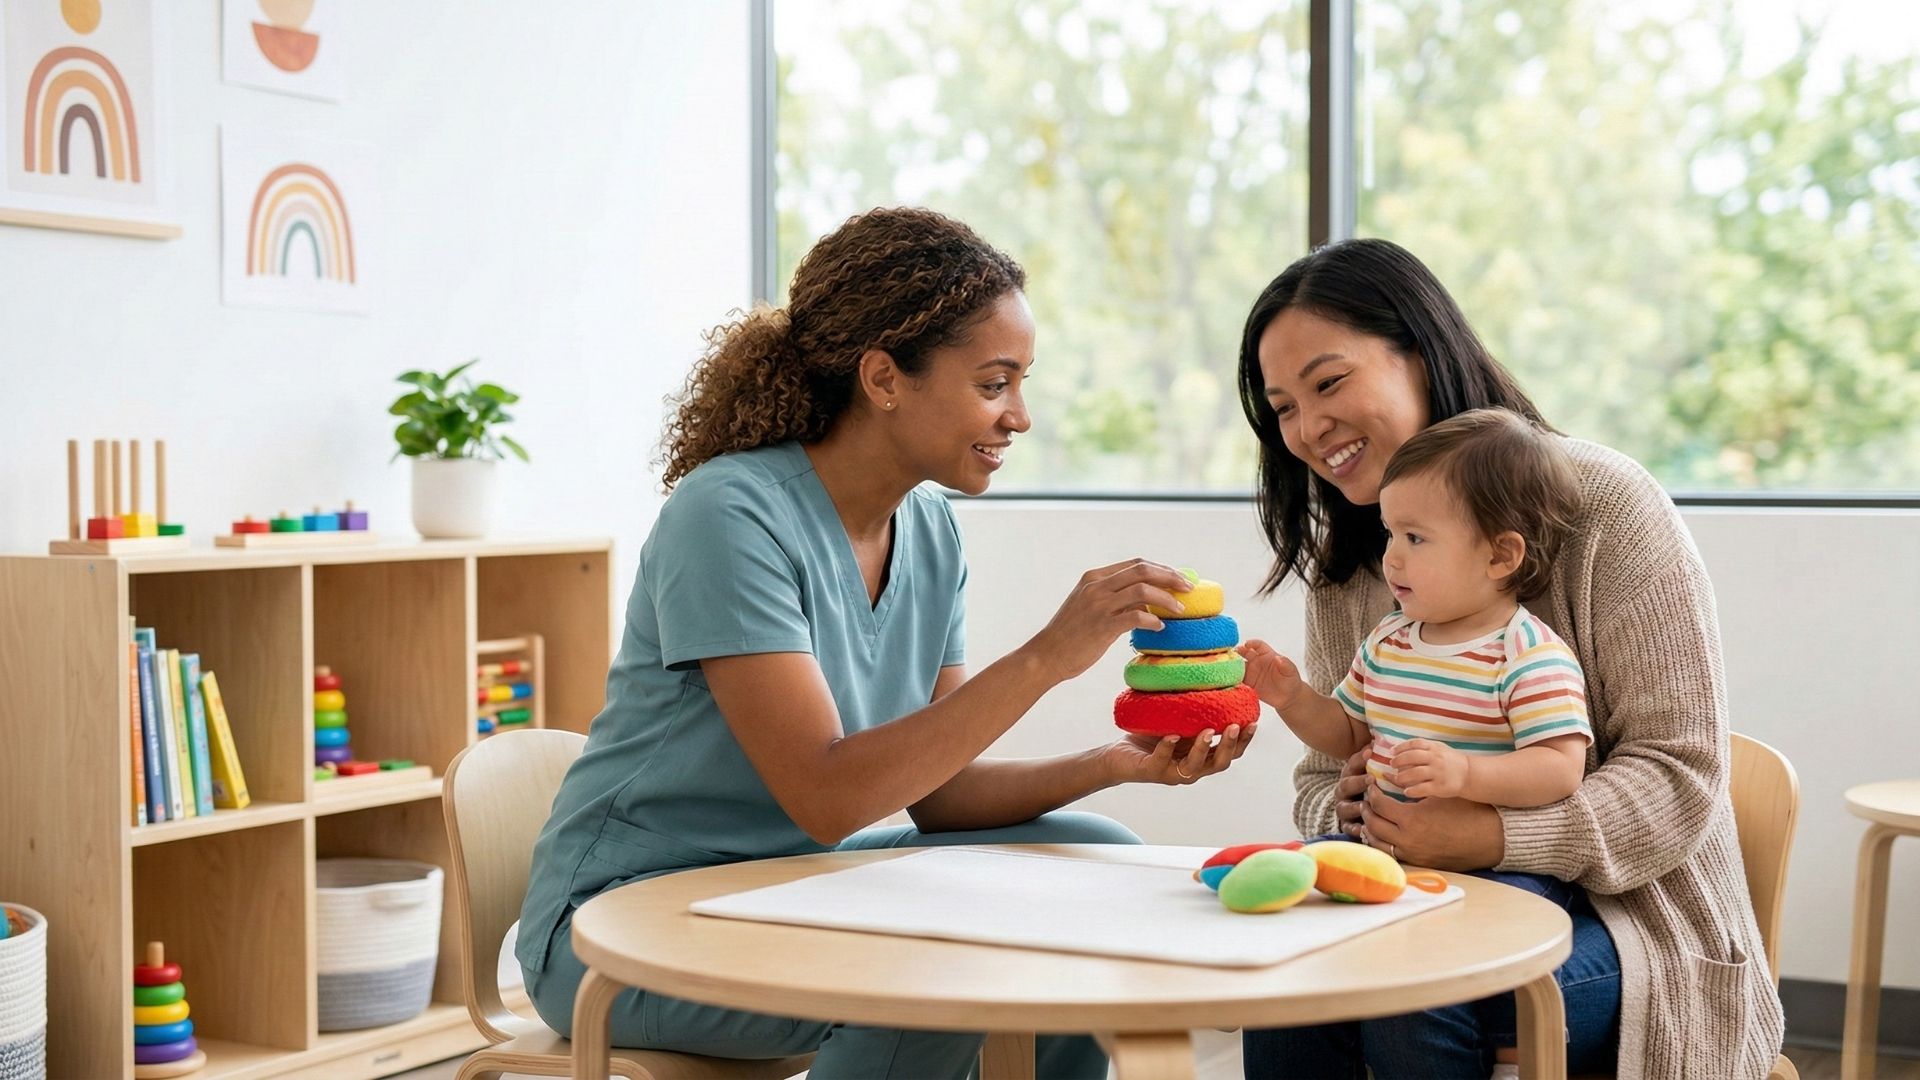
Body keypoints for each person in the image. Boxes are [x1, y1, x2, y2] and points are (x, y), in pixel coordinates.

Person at [516, 206, 1255, 1080]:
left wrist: (1115, 761)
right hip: (626, 923)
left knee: (1094, 857)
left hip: (796, 884)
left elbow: (936, 798)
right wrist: (1051, 655)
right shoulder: (728, 515)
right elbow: (828, 798)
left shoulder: (930, 527)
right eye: (994, 382)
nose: (1019, 415)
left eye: (1022, 383)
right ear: (883, 377)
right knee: (929, 980)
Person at [1233, 238, 1783, 1080]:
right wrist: (1343, 813)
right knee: (1286, 979)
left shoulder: (1604, 505)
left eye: (1329, 383)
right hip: (1415, 892)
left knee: (1417, 982)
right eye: (1282, 408)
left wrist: (1491, 833)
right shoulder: (1355, 559)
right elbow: (1322, 774)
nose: (1307, 428)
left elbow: (1679, 775)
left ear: (1421, 351)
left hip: (1636, 926)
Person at [1240, 407, 1591, 908]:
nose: (1393, 557)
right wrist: (1292, 697)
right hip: (1381, 852)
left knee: (1496, 925)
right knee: (1301, 875)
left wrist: (1467, 774)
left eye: (1416, 538)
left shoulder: (1528, 656)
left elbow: (1560, 768)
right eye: (1390, 534)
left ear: (1499, 556)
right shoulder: (1389, 640)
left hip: (1494, 869)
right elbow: (1348, 733)